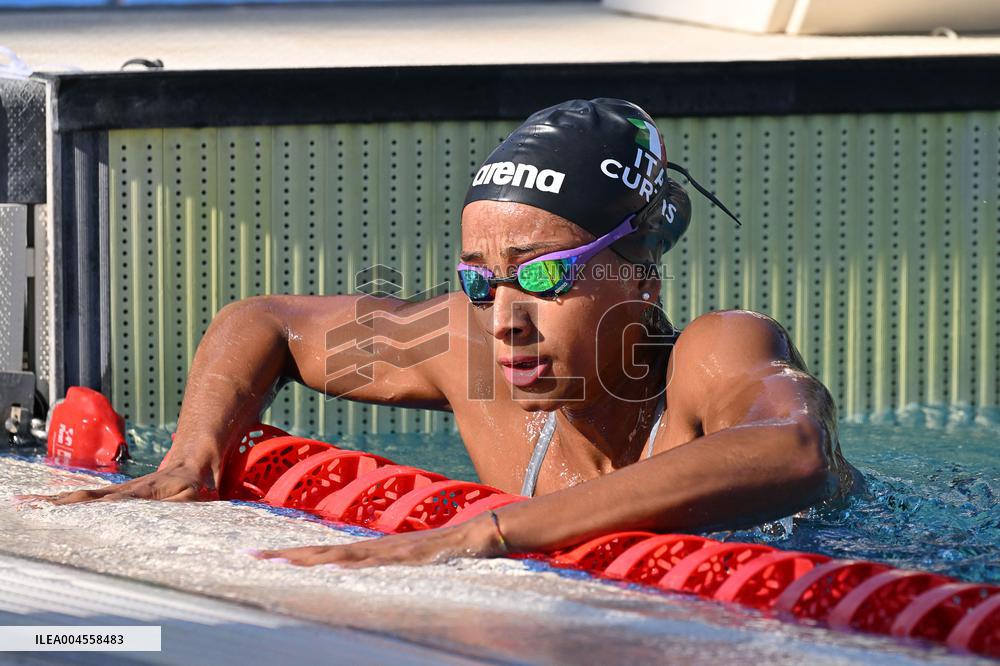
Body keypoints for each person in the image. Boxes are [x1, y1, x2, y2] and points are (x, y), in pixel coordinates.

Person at [34, 98, 854, 567]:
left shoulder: (714, 354)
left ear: (640, 278)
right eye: (480, 278)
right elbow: (268, 322)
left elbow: (793, 449)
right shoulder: (472, 353)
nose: (506, 320)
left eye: (544, 274)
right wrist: (192, 459)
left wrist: (489, 532)